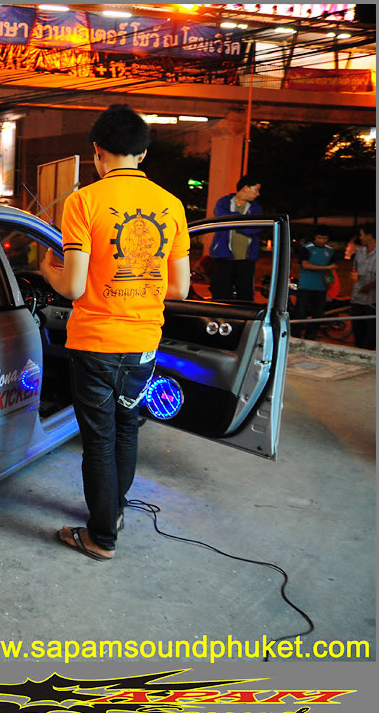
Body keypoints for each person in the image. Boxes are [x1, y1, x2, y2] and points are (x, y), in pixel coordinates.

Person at [39, 103, 190, 561]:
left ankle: (101, 536)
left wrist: (48, 271)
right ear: (142, 154)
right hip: (143, 343)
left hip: (95, 343)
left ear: (97, 151)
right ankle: (116, 511)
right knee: (127, 429)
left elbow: (73, 286)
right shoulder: (171, 205)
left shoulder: (84, 201)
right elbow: (180, 288)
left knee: (99, 441)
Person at [209, 174, 263, 301]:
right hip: (223, 258)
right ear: (245, 188)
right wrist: (243, 223)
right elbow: (222, 219)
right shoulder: (224, 202)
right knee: (220, 296)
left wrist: (234, 222)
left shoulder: (256, 208)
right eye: (256, 189)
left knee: (245, 297)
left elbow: (256, 227)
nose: (258, 194)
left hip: (246, 261)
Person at [292, 227, 337, 340]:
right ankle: (295, 337)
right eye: (319, 238)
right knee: (300, 313)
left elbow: (331, 270)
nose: (321, 240)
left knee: (318, 315)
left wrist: (329, 281)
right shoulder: (307, 248)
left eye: (324, 238)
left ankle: (310, 337)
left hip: (321, 288)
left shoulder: (330, 251)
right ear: (314, 237)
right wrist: (325, 267)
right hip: (305, 287)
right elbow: (305, 265)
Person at [350, 223, 376, 350]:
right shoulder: (360, 252)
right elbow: (354, 269)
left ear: (369, 236)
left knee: (372, 331)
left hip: (373, 300)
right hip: (357, 297)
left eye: (362, 234)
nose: (360, 237)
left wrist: (370, 286)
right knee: (358, 328)